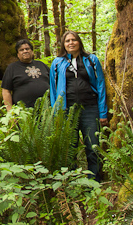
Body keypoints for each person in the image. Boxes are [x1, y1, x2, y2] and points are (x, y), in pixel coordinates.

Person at [49, 31, 108, 181]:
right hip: (67, 110)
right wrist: (56, 113)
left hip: (90, 108)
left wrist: (103, 113)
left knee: (92, 145)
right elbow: (53, 90)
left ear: (79, 42)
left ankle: (95, 179)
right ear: (63, 44)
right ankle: (74, 180)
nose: (71, 43)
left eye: (73, 40)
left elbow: (100, 85)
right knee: (70, 146)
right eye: (67, 41)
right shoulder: (57, 63)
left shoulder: (91, 60)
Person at [1, 38, 50, 111]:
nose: (25, 51)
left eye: (27, 49)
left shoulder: (42, 65)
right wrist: (10, 111)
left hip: (46, 112)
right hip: (23, 113)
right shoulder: (12, 68)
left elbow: (54, 83)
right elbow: (6, 91)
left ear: (32, 52)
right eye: (21, 50)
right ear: (18, 54)